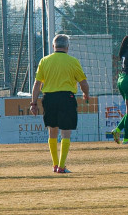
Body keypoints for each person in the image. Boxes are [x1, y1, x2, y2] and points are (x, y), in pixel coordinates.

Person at [30, 34, 90, 174]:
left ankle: (55, 164)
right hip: (66, 97)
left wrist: (33, 103)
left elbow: (37, 84)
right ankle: (62, 166)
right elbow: (83, 83)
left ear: (53, 47)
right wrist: (86, 94)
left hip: (49, 98)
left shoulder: (44, 61)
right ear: (67, 47)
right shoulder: (73, 61)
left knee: (52, 131)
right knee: (66, 132)